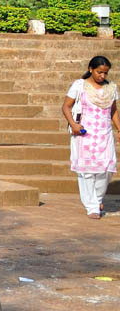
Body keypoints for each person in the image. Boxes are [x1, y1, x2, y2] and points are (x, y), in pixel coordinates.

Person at [62, 55, 118, 219]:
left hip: (104, 134)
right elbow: (66, 106)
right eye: (99, 72)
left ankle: (97, 199)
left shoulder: (111, 88)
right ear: (91, 69)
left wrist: (119, 128)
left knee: (106, 170)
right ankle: (92, 206)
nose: (102, 76)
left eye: (105, 73)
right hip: (84, 134)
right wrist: (73, 124)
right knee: (86, 172)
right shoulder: (79, 85)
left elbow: (113, 110)